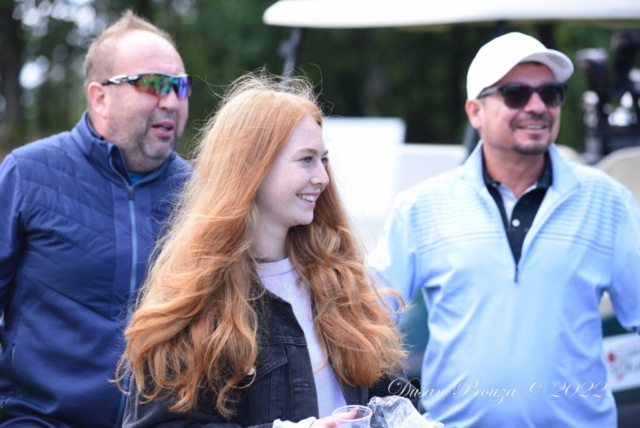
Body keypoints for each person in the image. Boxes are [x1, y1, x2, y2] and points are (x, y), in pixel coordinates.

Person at [370, 32, 640, 427]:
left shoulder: (609, 201)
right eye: (516, 94)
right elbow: (366, 319)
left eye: (551, 94)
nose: (537, 106)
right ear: (475, 111)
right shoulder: (420, 207)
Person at [120, 72, 414, 428]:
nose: (322, 177)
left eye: (323, 160)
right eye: (306, 159)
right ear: (252, 168)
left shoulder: (342, 281)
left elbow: (393, 396)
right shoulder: (193, 301)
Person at [0, 11, 191, 428]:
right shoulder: (27, 174)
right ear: (100, 97)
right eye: (153, 84)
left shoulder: (200, 194)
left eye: (180, 86)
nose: (171, 101)